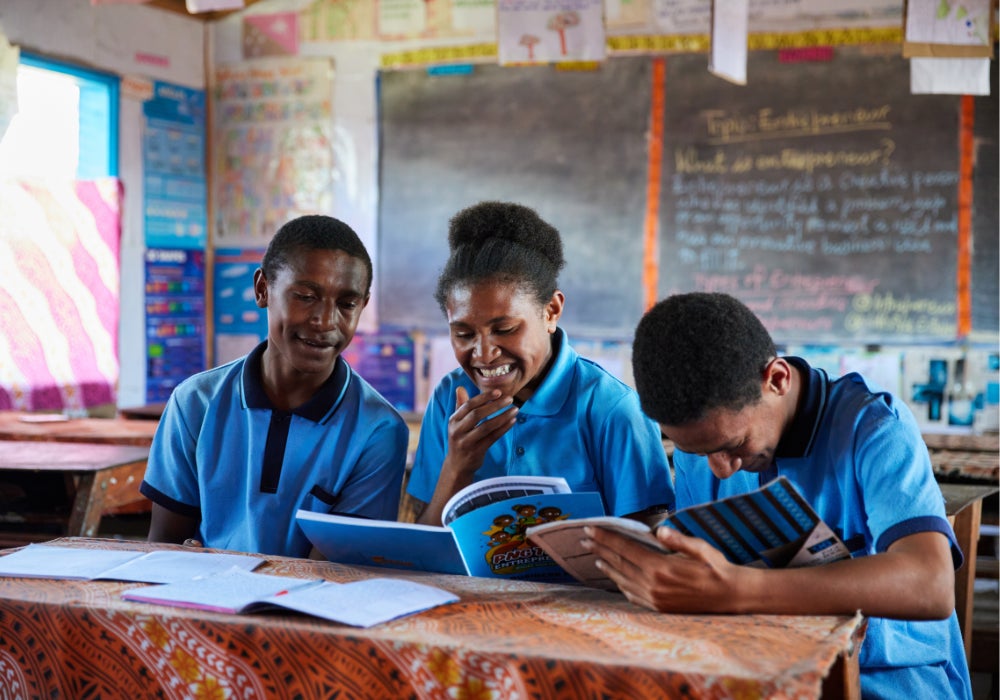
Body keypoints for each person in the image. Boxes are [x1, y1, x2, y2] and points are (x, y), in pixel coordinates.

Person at [583, 292, 972, 699]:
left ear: (777, 379)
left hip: (886, 682)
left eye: (734, 445)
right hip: (759, 674)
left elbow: (932, 586)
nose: (720, 468)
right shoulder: (707, 444)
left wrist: (738, 589)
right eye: (696, 453)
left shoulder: (873, 428)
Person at [141, 215, 408, 558]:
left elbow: (331, 576)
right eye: (306, 296)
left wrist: (213, 567)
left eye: (346, 304)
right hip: (202, 605)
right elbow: (164, 549)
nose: (326, 321)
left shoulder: (378, 431)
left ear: (362, 305)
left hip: (304, 608)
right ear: (263, 289)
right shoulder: (195, 403)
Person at [406, 201, 674, 526]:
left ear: (551, 311)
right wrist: (457, 466)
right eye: (463, 333)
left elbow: (647, 545)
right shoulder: (451, 397)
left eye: (504, 330)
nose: (484, 353)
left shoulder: (613, 409)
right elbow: (425, 543)